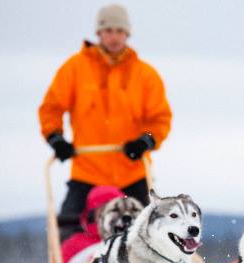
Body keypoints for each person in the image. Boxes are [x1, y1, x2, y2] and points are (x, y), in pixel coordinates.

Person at [38, 4, 172, 241]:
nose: (114, 36)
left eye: (119, 31)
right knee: (68, 232)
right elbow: (51, 108)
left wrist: (146, 141)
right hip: (87, 172)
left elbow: (160, 118)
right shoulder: (75, 69)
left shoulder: (145, 75)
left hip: (132, 172)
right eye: (108, 30)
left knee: (152, 233)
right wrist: (55, 138)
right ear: (98, 33)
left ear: (127, 34)